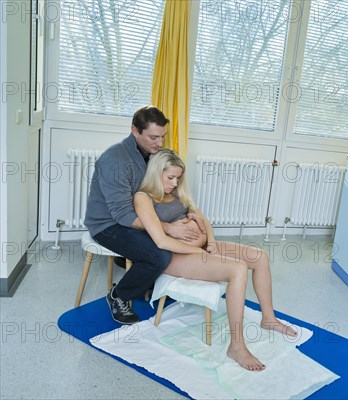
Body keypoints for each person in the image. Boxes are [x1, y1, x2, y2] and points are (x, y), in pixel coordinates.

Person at [134, 148, 297, 371]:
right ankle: (237, 346)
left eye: (178, 177)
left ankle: (268, 317)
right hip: (173, 257)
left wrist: (210, 242)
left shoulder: (177, 194)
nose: (174, 182)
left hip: (200, 247)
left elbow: (203, 219)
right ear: (155, 173)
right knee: (238, 269)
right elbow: (161, 242)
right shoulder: (143, 198)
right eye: (170, 177)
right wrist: (198, 252)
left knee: (260, 256)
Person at [85, 106, 203, 325]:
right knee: (159, 255)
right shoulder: (115, 160)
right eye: (153, 137)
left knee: (179, 238)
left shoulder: (153, 154)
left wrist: (189, 215)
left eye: (162, 137)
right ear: (134, 130)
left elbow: (169, 189)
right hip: (108, 225)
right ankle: (118, 295)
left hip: (139, 216)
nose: (159, 144)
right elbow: (123, 216)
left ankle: (149, 279)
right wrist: (168, 227)